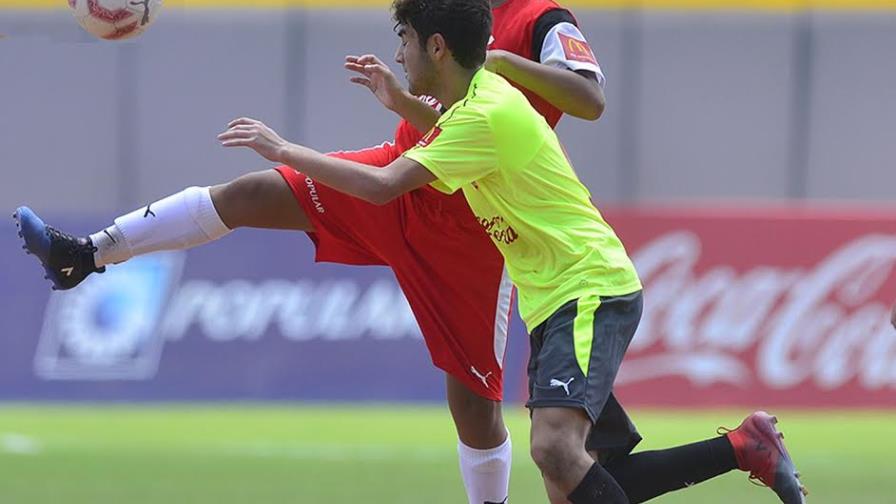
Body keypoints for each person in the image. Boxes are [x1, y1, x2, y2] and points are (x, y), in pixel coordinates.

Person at [209, 0, 808, 502]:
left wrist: (283, 148)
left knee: (552, 449)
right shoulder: (480, 101)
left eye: (406, 40)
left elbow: (384, 185)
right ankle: (743, 446)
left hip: (587, 287)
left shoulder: (489, 104)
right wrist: (399, 104)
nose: (398, 53)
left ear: (437, 46)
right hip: (554, 298)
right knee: (572, 474)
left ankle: (745, 447)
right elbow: (449, 130)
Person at [12, 1, 610, 502]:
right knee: (247, 194)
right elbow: (445, 119)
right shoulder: (444, 7)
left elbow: (589, 99)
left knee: (473, 407)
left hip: (471, 229)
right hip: (401, 176)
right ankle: (86, 254)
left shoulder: (539, 19)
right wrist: (400, 99)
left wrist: (504, 61)